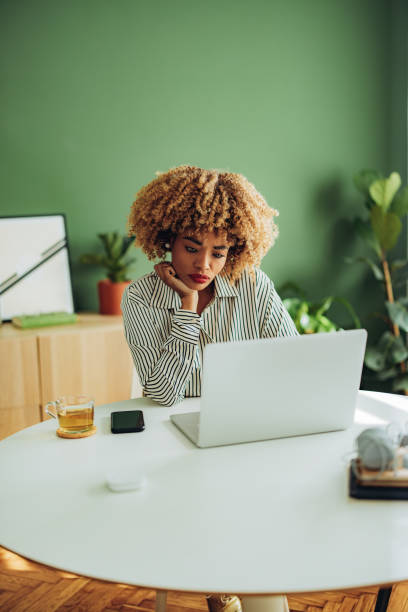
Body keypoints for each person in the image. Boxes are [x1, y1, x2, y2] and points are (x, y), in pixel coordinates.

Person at [121, 164, 296, 612]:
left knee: (257, 504)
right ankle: (228, 581)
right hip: (173, 438)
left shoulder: (253, 284)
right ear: (167, 242)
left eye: (218, 253)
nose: (204, 265)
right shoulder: (141, 297)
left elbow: (292, 362)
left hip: (244, 431)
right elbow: (161, 391)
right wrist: (188, 309)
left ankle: (232, 580)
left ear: (234, 251)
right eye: (192, 248)